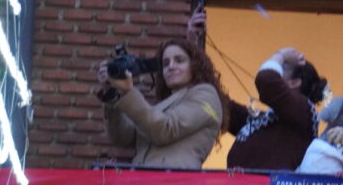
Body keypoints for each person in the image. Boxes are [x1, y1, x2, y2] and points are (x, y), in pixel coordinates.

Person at [98, 38, 226, 169]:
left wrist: (129, 91)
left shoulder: (206, 94)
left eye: (179, 60)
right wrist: (112, 94)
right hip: (143, 183)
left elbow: (164, 129)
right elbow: (123, 138)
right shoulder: (164, 105)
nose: (171, 66)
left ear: (195, 65)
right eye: (165, 63)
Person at [226, 47, 328, 170]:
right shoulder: (266, 120)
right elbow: (223, 106)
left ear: (294, 82)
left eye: (282, 67)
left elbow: (266, 79)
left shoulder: (304, 112)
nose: (276, 69)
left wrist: (281, 55)